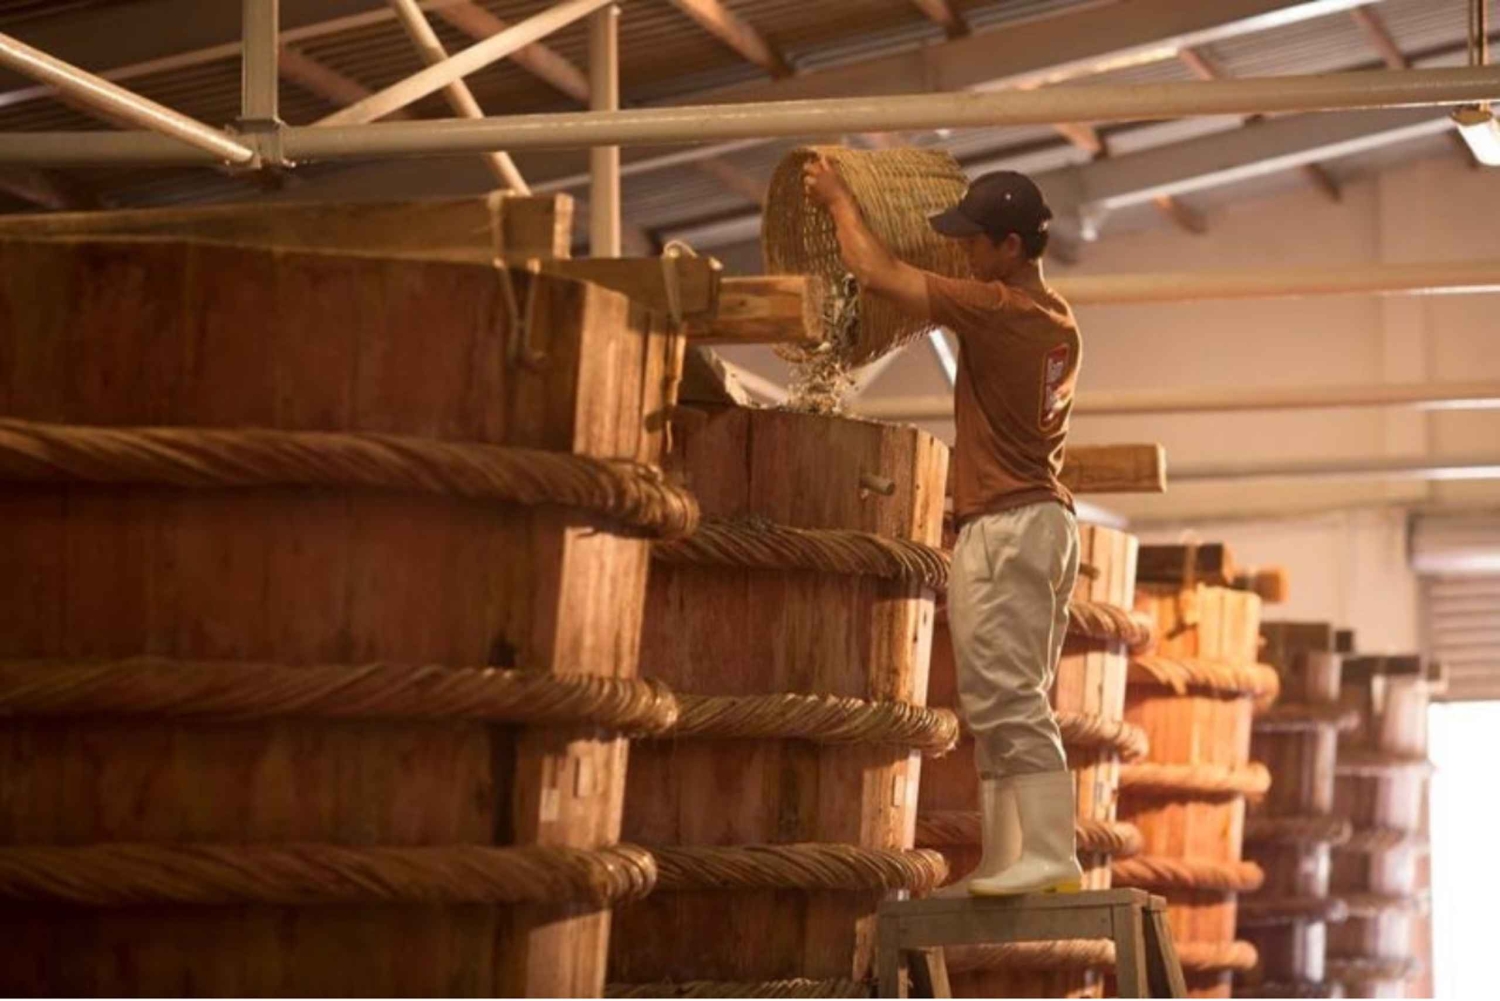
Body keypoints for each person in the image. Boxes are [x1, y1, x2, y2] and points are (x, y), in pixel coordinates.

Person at [804, 156, 1083, 896]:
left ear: (1011, 247)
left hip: (1010, 523)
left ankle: (1051, 853)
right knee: (999, 696)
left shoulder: (1003, 311)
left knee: (1009, 696)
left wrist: (837, 199)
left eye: (974, 242)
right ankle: (1010, 860)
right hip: (1036, 521)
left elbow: (878, 274)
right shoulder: (1054, 318)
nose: (963, 253)